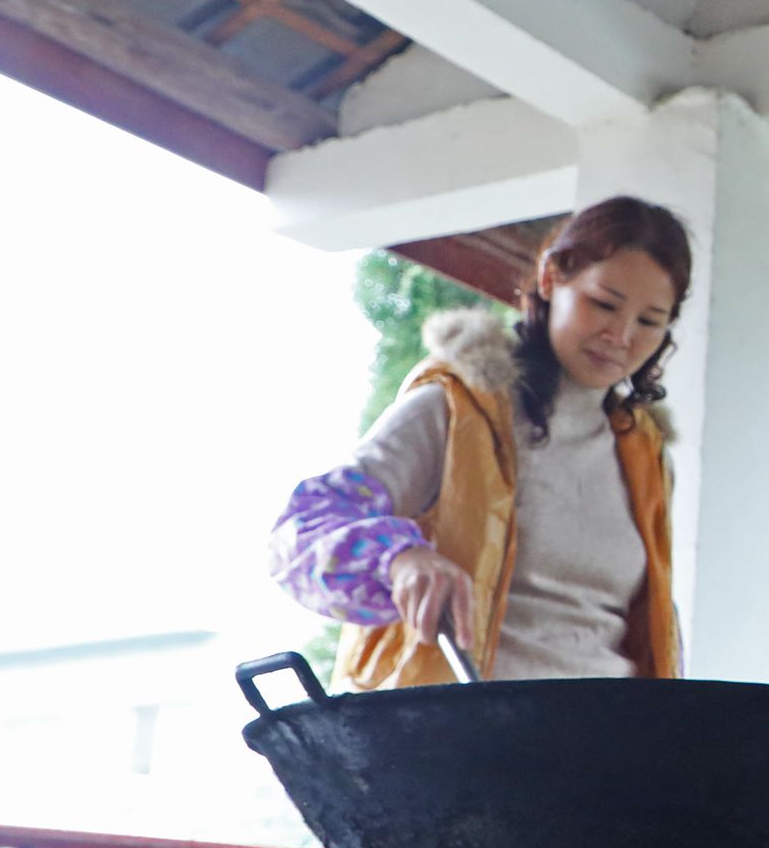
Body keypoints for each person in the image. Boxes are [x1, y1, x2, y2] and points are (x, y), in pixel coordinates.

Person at [272, 198, 693, 688]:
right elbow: (299, 532)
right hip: (463, 741)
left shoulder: (644, 454)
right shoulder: (456, 408)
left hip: (609, 747)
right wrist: (398, 558)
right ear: (552, 278)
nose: (621, 335)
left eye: (649, 321)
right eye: (604, 303)